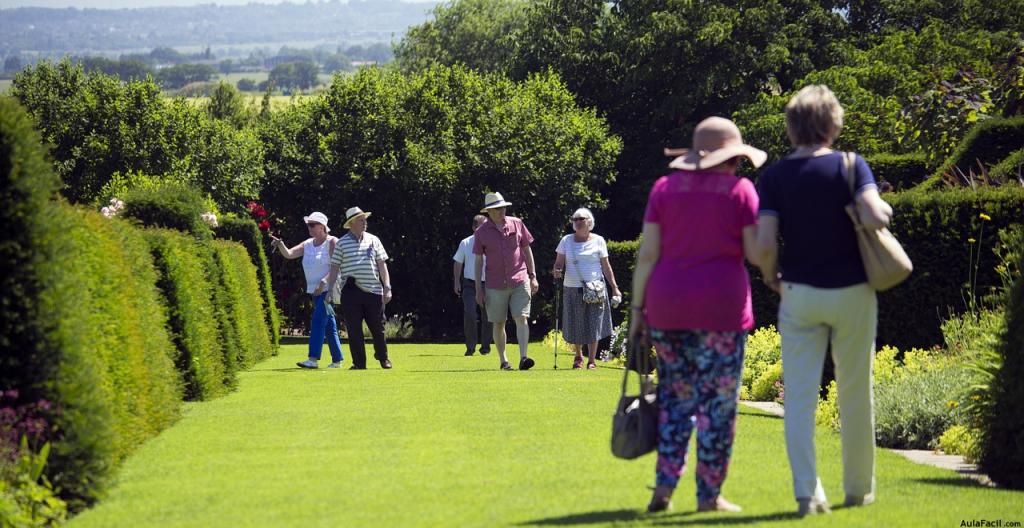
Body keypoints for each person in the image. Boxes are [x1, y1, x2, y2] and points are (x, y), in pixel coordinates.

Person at [755, 85, 891, 516]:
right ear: (833, 123)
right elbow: (874, 215)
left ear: (791, 127)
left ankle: (807, 494)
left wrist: (769, 275)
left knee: (798, 398)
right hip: (853, 291)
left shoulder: (773, 177)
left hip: (799, 292)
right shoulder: (852, 166)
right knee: (855, 391)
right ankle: (856, 489)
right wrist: (882, 209)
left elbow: (762, 244)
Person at [629, 116, 766, 514]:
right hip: (722, 310)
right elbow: (756, 254)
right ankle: (709, 495)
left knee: (674, 401)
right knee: (717, 407)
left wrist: (637, 310)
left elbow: (648, 255)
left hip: (668, 308)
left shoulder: (663, 189)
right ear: (729, 158)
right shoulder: (741, 192)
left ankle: (664, 488)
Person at [320, 207, 394, 370]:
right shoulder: (341, 243)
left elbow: (382, 266)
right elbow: (334, 268)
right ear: (352, 223)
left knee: (378, 328)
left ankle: (383, 358)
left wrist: (387, 286)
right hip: (351, 291)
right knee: (354, 329)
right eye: (361, 220)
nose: (364, 222)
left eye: (364, 219)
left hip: (374, 291)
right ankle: (359, 363)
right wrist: (330, 290)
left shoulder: (374, 240)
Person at [472, 192, 538, 371]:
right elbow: (478, 261)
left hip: (519, 279)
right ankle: (503, 361)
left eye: (503, 208)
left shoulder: (517, 223)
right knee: (499, 323)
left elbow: (527, 249)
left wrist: (533, 276)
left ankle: (524, 357)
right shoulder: (481, 232)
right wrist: (479, 288)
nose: (502, 211)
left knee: (521, 318)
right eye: (497, 209)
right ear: (489, 212)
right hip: (494, 284)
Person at [270, 212, 344, 369]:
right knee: (329, 325)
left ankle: (312, 359)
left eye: (312, 225)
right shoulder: (308, 243)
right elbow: (289, 254)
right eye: (308, 224)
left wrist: (324, 282)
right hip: (315, 292)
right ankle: (337, 360)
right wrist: (280, 245)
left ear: (322, 226)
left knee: (317, 321)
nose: (309, 228)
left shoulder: (332, 242)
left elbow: (337, 266)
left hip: (327, 291)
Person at [552, 207, 621, 369]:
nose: (576, 222)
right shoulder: (566, 241)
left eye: (580, 219)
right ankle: (578, 357)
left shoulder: (599, 240)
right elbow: (559, 262)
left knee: (594, 323)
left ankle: (591, 360)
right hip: (572, 287)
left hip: (595, 288)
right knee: (576, 323)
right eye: (574, 219)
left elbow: (606, 266)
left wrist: (615, 288)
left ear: (589, 222)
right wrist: (556, 270)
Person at [453, 214, 492, 356]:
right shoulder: (465, 243)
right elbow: (458, 262)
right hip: (469, 284)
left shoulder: (491, 242)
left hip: (488, 283)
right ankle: (470, 347)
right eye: (481, 227)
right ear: (474, 228)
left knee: (488, 315)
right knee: (470, 312)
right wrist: (456, 281)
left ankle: (485, 347)